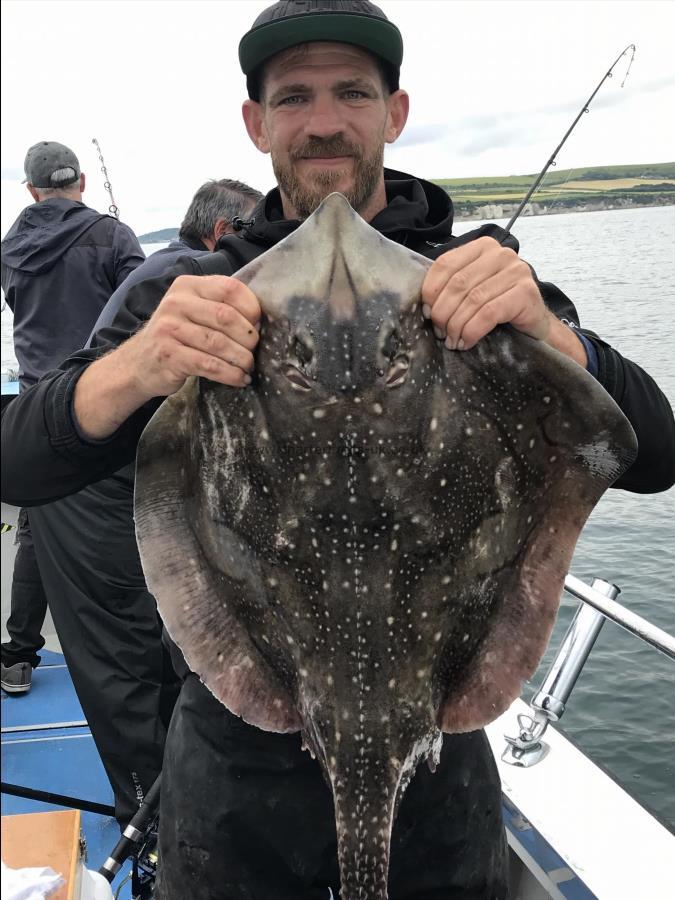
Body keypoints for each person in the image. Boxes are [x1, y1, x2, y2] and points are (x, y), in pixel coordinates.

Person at [1, 2, 674, 896]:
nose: (322, 120)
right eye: (294, 97)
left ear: (393, 113)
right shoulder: (185, 291)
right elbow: (18, 462)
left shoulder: (475, 280)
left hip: (438, 741)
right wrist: (140, 366)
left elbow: (652, 454)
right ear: (258, 123)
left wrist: (551, 336)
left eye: (351, 92)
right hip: (234, 751)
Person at [10, 178, 263, 828]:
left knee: (157, 647)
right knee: (122, 660)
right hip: (92, 485)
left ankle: (180, 803)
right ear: (223, 234)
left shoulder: (39, 250)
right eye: (259, 239)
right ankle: (150, 824)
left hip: (96, 465)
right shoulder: (179, 275)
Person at [0, 140, 144, 694]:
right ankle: (136, 661)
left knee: (36, 536)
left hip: (39, 411)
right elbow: (143, 308)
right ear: (82, 180)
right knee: (133, 525)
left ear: (32, 189)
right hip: (108, 407)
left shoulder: (10, 247)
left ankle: (17, 655)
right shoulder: (113, 235)